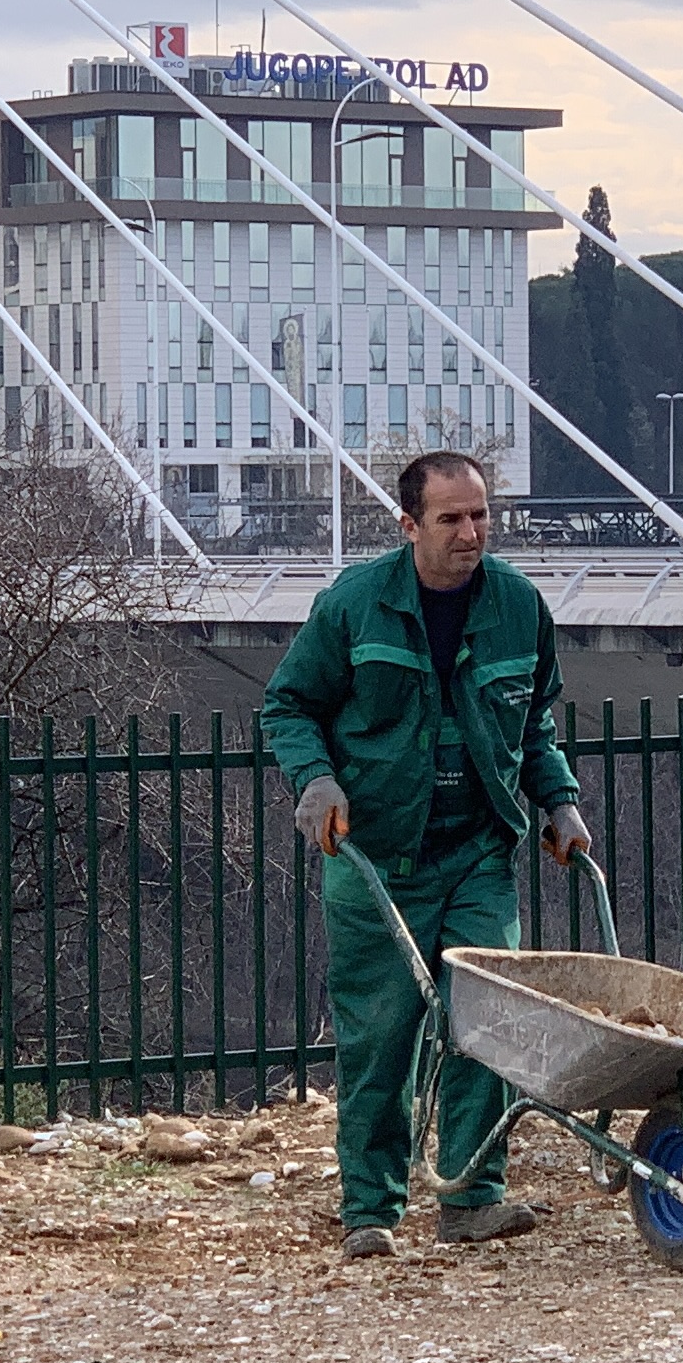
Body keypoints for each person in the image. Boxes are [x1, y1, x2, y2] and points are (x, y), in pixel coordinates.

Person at [261, 452, 593, 1259]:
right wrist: (315, 781)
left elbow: (532, 721)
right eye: (451, 519)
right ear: (410, 526)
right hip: (378, 858)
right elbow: (289, 704)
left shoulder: (517, 605)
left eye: (480, 514)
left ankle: (473, 1195)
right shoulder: (355, 605)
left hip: (478, 851)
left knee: (490, 1017)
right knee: (381, 1035)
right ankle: (370, 1209)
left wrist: (559, 798)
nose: (471, 532)